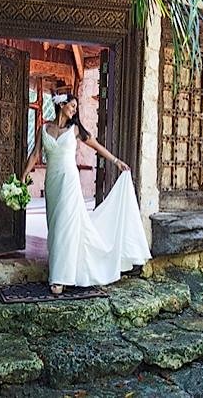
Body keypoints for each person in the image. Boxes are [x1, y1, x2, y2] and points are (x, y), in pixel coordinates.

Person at [21, 93, 151, 294]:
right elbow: (35, 154)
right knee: (55, 226)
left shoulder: (75, 130)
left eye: (75, 107)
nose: (74, 110)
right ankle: (62, 269)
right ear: (61, 105)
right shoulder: (44, 128)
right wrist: (22, 177)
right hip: (52, 183)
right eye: (71, 106)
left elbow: (96, 145)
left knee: (65, 225)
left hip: (69, 182)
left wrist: (116, 161)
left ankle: (59, 277)